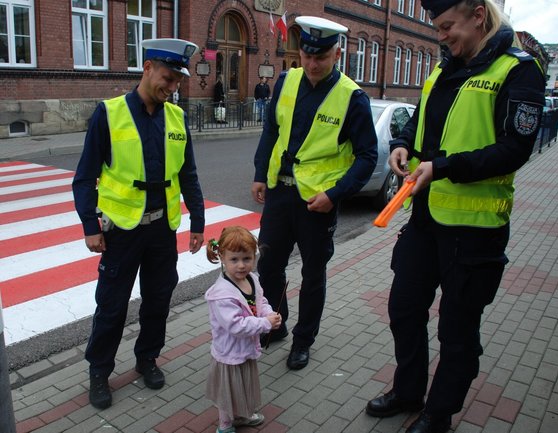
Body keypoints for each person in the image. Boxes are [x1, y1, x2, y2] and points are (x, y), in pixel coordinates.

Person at [364, 0, 545, 432]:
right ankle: (408, 391)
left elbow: (514, 150)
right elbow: (421, 124)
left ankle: (438, 412)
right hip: (426, 220)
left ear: (478, 15)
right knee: (404, 308)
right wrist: (403, 145)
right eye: (437, 27)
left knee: (457, 330)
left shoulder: (518, 69)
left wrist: (443, 167)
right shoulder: (443, 69)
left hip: (476, 230)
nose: (441, 35)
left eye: (447, 26)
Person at [72, 38, 205, 410]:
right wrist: (89, 225)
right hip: (122, 231)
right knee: (112, 306)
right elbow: (84, 178)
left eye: (178, 81)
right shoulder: (109, 113)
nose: (172, 87)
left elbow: (188, 174)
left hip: (162, 229)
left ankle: (147, 358)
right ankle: (99, 370)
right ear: (147, 68)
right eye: (167, 78)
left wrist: (198, 219)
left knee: (158, 300)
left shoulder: (176, 117)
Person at [251, 16, 378, 370]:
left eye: (320, 57)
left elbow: (367, 157)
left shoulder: (352, 98)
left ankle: (303, 340)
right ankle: (277, 325)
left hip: (317, 203)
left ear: (336, 54)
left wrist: (336, 194)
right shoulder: (287, 80)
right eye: (306, 55)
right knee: (270, 267)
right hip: (280, 194)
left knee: (313, 273)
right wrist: (261, 173)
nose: (311, 64)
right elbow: (271, 130)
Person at [204, 226, 282, 433]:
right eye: (234, 259)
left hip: (245, 348)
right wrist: (265, 324)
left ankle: (242, 415)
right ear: (222, 257)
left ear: (254, 257)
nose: (241, 265)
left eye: (247, 259)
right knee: (228, 391)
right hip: (229, 352)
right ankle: (225, 425)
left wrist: (269, 313)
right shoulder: (221, 294)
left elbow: (260, 300)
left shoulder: (252, 280)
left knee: (243, 387)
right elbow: (236, 325)